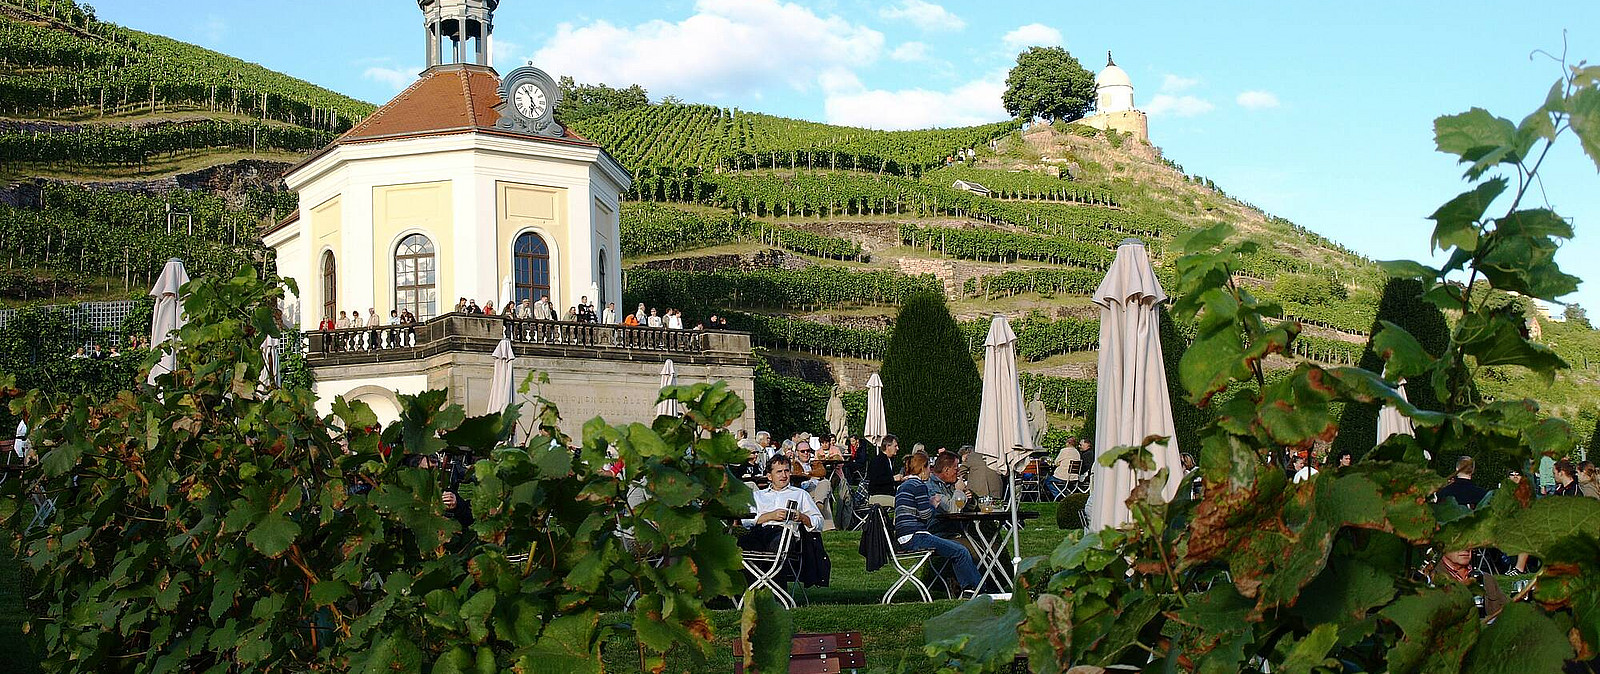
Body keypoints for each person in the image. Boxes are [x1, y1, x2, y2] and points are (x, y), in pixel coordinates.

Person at [894, 451, 981, 594]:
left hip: (903, 537)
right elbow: (926, 516)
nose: (931, 471)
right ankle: (975, 589)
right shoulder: (919, 486)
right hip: (917, 536)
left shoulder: (904, 486)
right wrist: (933, 505)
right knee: (961, 551)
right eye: (929, 467)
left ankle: (970, 587)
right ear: (923, 469)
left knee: (960, 549)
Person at [1425, 548, 1507, 617]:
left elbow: (1507, 613)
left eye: (1468, 544)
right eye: (1459, 544)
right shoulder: (1429, 580)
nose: (1466, 549)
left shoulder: (1486, 579)